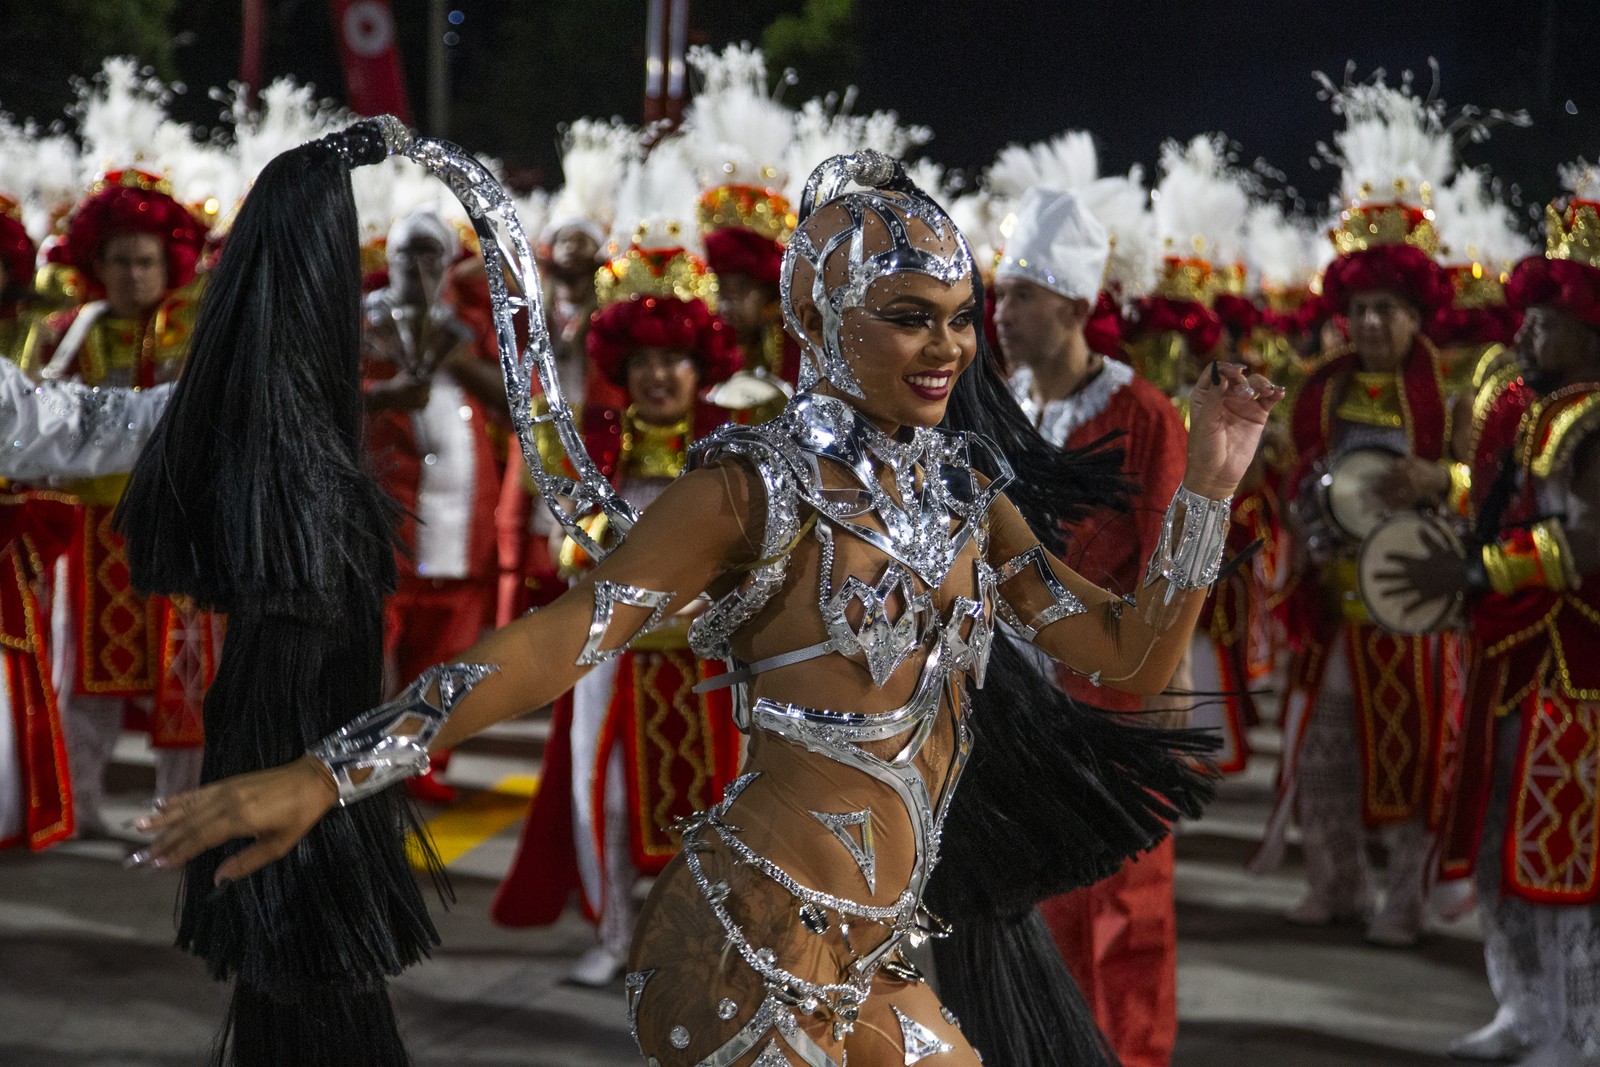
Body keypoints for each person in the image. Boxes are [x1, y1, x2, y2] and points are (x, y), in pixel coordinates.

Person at [129, 144, 1279, 1067]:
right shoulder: (753, 488)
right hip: (745, 946)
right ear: (822, 318)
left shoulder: (965, 492)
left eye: (958, 314)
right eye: (909, 314)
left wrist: (1211, 487)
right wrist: (322, 776)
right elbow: (555, 642)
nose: (947, 348)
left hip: (878, 955)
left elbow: (1127, 654)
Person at [1380, 185, 1600, 1066]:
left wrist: (1474, 571)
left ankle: (1581, 1032)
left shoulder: (1593, 416)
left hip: (1573, 666)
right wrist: (1445, 492)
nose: (1527, 334)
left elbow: (1588, 542)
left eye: (1547, 323)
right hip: (1509, 656)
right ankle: (1523, 1010)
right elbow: (1506, 496)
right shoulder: (1532, 404)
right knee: (1499, 839)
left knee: (1563, 853)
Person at [492, 240, 745, 987]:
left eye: (674, 361)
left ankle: (712, 941)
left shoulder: (734, 450)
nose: (658, 377)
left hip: (709, 658)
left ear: (700, 369)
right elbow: (567, 549)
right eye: (643, 363)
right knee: (600, 796)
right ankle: (614, 934)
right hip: (611, 654)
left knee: (721, 803)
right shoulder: (593, 445)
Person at [993, 185, 1191, 1067]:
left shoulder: (1143, 415)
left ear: (1074, 308)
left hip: (1109, 697)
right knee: (1034, 900)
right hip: (1016, 698)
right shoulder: (1001, 405)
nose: (1000, 314)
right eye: (1000, 295)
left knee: (1123, 904)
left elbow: (1173, 563)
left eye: (1019, 296)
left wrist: (1166, 697)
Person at [1259, 76, 1458, 948]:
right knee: (1325, 752)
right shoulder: (1319, 388)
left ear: (1417, 316)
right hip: (1331, 596)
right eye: (1361, 309)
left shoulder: (1454, 394)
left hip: (1411, 602)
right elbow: (1293, 477)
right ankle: (1334, 882)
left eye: (1388, 310)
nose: (1371, 323)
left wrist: (1440, 478)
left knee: (1414, 759)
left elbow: (1485, 485)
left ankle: (1405, 899)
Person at [17, 168, 211, 834]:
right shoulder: (64, 333)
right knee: (81, 678)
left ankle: (180, 811)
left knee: (185, 678)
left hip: (178, 525)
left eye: (145, 261)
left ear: (169, 264)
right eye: (120, 261)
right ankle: (80, 805)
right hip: (92, 530)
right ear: (96, 264)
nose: (133, 274)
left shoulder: (197, 331)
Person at [362, 210, 503, 804]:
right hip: (388, 508)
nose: (418, 268)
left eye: (431, 256)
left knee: (447, 646)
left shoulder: (472, 325)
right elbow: (324, 397)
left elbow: (517, 401)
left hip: (461, 515)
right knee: (375, 644)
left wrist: (459, 361)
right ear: (388, 260)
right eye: (408, 254)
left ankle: (423, 761)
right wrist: (384, 395)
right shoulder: (362, 324)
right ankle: (367, 758)